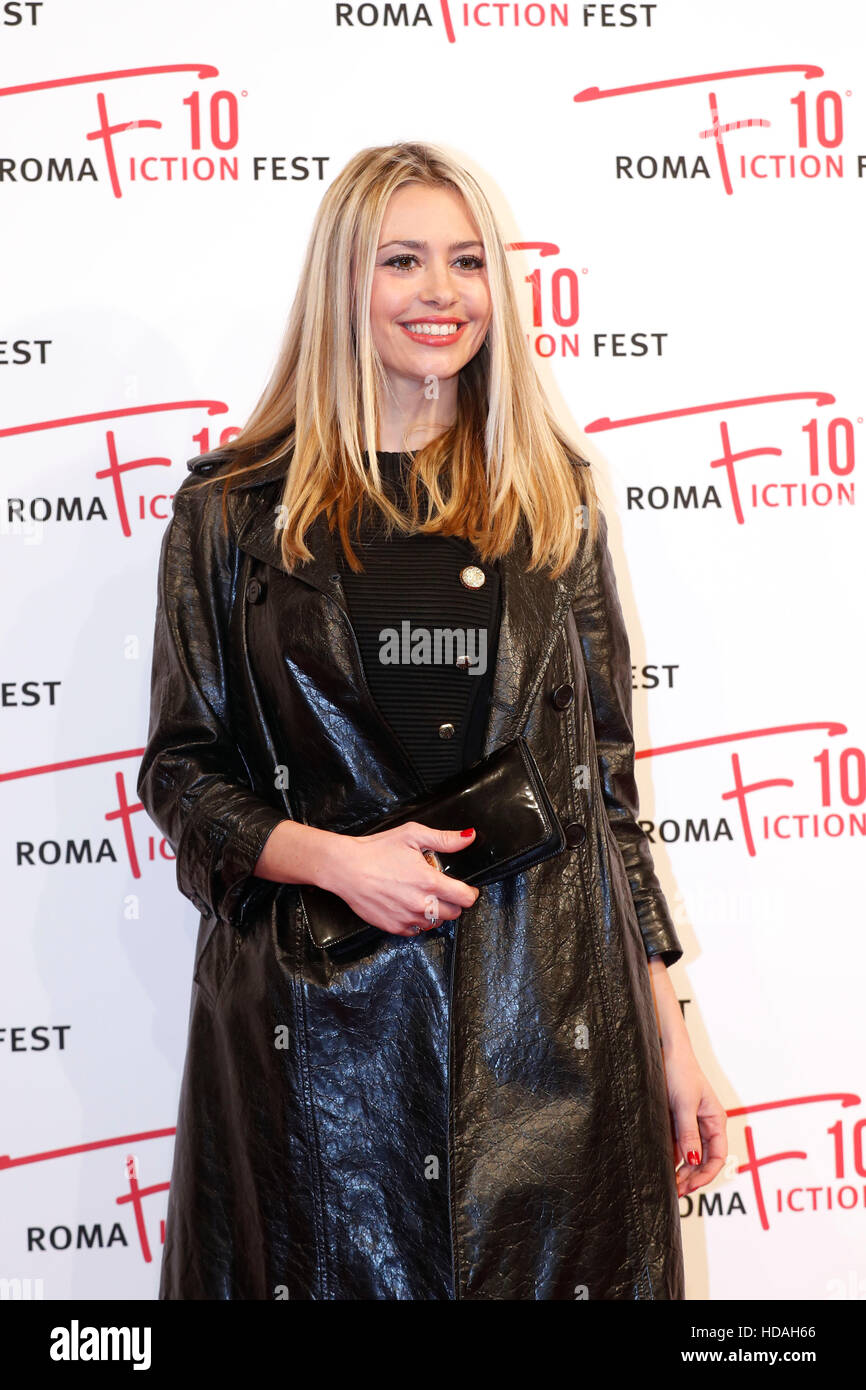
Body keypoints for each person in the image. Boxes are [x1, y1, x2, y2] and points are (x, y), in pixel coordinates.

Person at [137, 140, 727, 1301]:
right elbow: (183, 771)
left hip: (547, 1026)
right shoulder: (228, 513)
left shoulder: (551, 497)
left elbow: (599, 790)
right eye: (402, 260)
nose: (440, 292)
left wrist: (669, 1028)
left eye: (465, 262)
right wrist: (334, 861)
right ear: (344, 283)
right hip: (321, 1044)